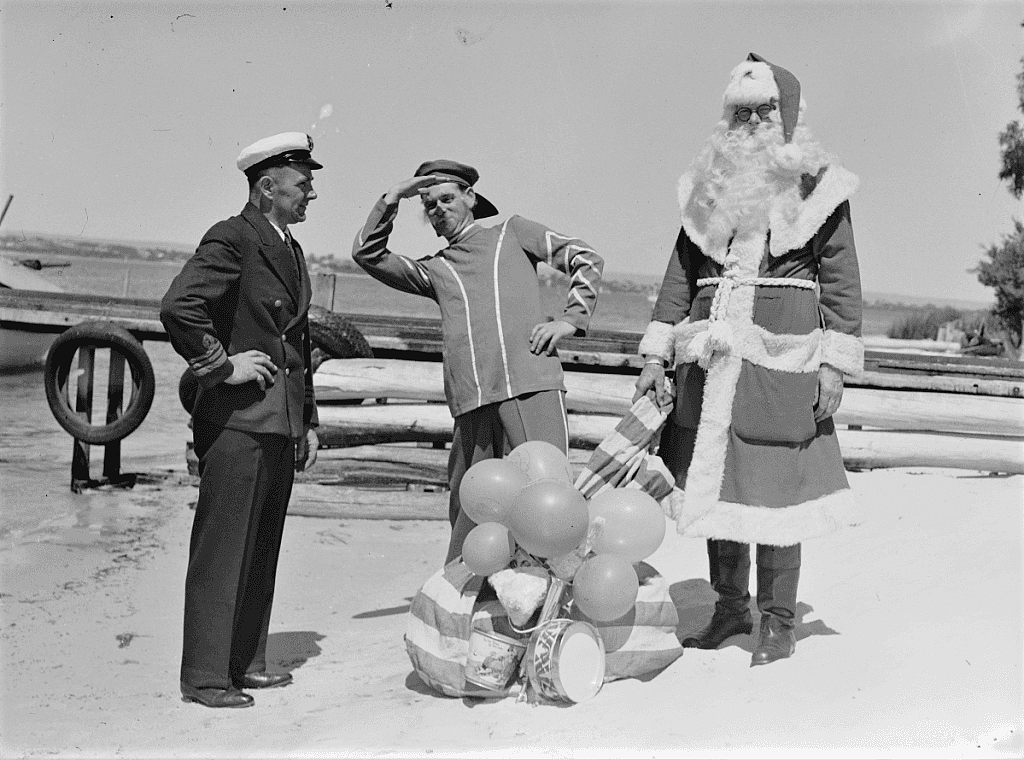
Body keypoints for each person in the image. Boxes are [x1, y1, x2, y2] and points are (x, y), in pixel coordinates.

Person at [634, 54, 864, 666]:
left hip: (779, 362)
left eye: (764, 110)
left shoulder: (820, 185)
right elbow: (679, 276)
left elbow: (840, 281)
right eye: (741, 111)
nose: (752, 121)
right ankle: (730, 607)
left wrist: (834, 364)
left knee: (778, 489)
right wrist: (656, 353)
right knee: (717, 483)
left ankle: (778, 623)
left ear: (786, 115)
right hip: (708, 360)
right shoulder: (705, 187)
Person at [352, 160, 604, 563]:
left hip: (530, 385)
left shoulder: (513, 233)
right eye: (430, 205)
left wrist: (571, 321)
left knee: (548, 497)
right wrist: (393, 197)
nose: (439, 209)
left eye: (448, 198)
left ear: (471, 198)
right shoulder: (435, 269)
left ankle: (554, 605)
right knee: (471, 508)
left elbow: (586, 259)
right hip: (471, 401)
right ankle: (462, 600)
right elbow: (367, 253)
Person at [161, 132, 322, 707]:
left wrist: (308, 420)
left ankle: (245, 662)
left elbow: (296, 344)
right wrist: (220, 365)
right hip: (236, 421)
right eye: (302, 183)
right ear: (266, 187)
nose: (311, 193)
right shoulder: (232, 236)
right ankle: (205, 677)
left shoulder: (289, 248)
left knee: (261, 547)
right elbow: (179, 307)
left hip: (277, 421)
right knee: (223, 549)